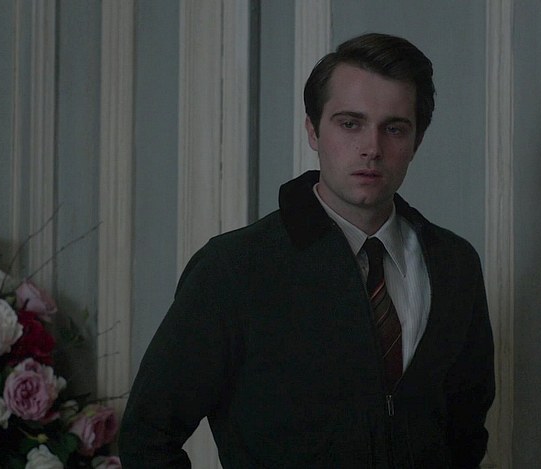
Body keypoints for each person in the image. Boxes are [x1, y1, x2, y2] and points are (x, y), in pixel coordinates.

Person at [120, 32, 495, 468]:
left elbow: (466, 432)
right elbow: (148, 436)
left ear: (417, 140)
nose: (372, 148)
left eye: (394, 128)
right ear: (313, 131)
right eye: (350, 123)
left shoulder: (454, 265)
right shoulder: (234, 269)